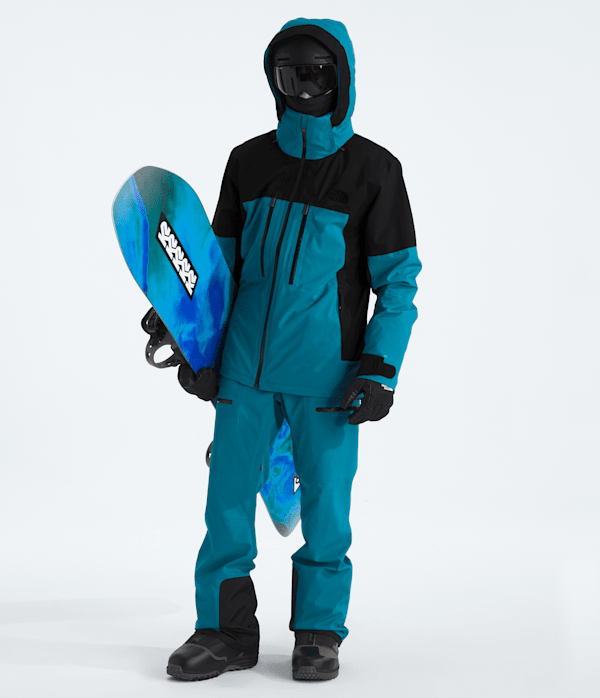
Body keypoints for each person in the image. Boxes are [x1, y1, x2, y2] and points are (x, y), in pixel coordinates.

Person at [167, 17, 421, 682]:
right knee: (226, 502)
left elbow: (398, 282)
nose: (302, 87)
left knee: (325, 508)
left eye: (316, 73)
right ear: (271, 80)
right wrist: (192, 340)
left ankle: (317, 633)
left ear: (342, 80)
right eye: (289, 74)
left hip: (327, 376)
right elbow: (216, 267)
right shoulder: (247, 161)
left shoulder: (374, 170)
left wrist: (380, 368)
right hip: (243, 371)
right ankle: (223, 632)